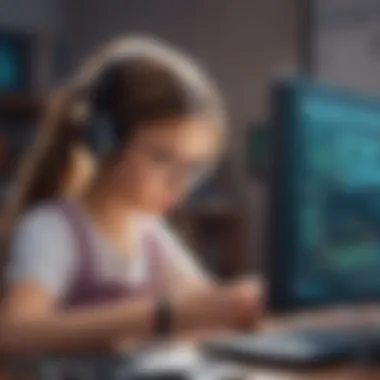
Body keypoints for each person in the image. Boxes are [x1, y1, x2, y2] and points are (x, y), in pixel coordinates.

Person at [0, 37, 263, 359]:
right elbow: (12, 332)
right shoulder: (51, 229)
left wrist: (233, 306)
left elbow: (202, 304)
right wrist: (161, 317)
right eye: (162, 158)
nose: (178, 184)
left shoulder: (148, 231)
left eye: (192, 168)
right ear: (103, 140)